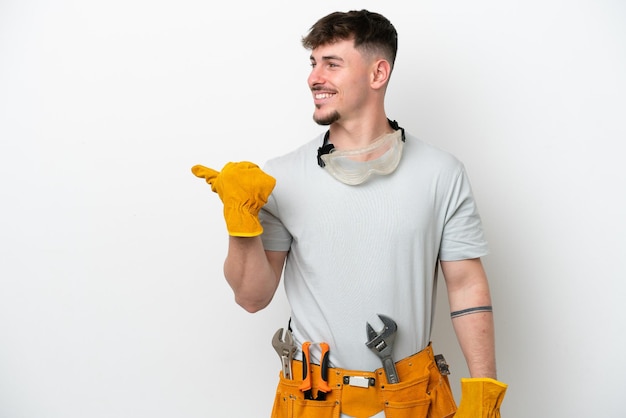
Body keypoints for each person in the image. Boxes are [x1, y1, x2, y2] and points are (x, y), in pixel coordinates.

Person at [192, 9, 507, 418]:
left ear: (378, 74)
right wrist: (241, 224)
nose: (314, 78)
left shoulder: (440, 173)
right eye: (313, 63)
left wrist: (485, 394)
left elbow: (466, 286)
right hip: (313, 400)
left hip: (411, 399)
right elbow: (252, 297)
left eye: (332, 64)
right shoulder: (280, 177)